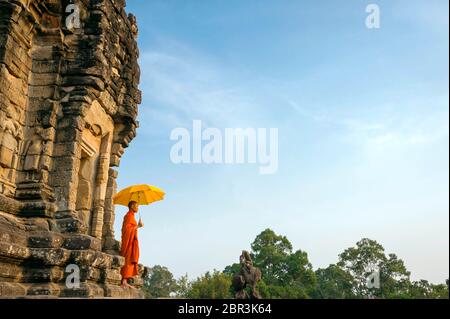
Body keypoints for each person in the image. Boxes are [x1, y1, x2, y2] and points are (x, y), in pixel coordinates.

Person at [120, 201, 144, 288]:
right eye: (137, 206)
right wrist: (138, 226)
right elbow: (127, 230)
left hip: (132, 242)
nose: (138, 208)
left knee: (131, 259)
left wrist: (137, 226)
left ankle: (126, 280)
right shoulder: (128, 216)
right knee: (128, 259)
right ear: (132, 206)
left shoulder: (132, 216)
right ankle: (124, 280)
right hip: (128, 242)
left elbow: (131, 229)